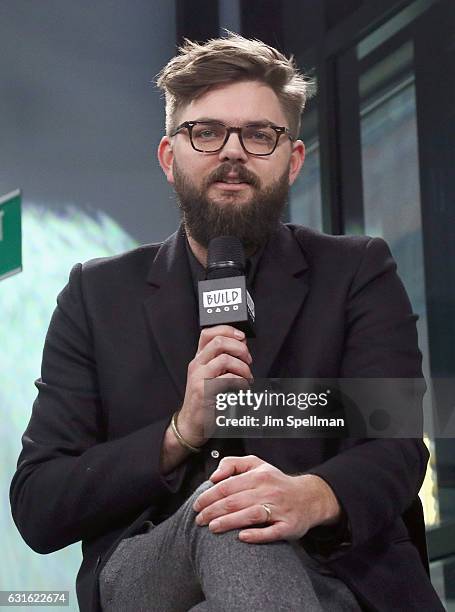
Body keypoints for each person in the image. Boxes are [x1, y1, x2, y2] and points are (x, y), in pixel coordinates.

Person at [10, 34, 444, 611]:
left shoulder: (356, 271)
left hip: (336, 577)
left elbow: (395, 447)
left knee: (243, 524)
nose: (232, 152)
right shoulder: (95, 295)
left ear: (292, 161)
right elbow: (41, 502)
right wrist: (180, 433)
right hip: (152, 574)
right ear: (170, 157)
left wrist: (306, 496)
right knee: (230, 515)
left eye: (259, 135)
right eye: (206, 132)